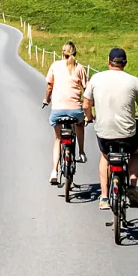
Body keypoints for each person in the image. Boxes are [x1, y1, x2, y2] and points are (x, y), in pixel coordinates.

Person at [83, 47, 138, 210]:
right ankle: (132, 186)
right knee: (135, 154)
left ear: (108, 62)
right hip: (127, 134)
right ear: (125, 63)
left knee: (105, 157)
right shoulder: (133, 81)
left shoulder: (96, 78)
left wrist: (89, 117)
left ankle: (104, 197)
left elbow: (86, 104)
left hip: (104, 132)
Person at [43, 41, 88, 185]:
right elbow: (87, 90)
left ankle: (54, 171)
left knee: (58, 139)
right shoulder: (79, 68)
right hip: (75, 110)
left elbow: (49, 86)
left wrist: (47, 99)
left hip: (57, 110)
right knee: (80, 124)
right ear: (75, 53)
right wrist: (88, 111)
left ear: (62, 52)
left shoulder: (55, 66)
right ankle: (81, 152)